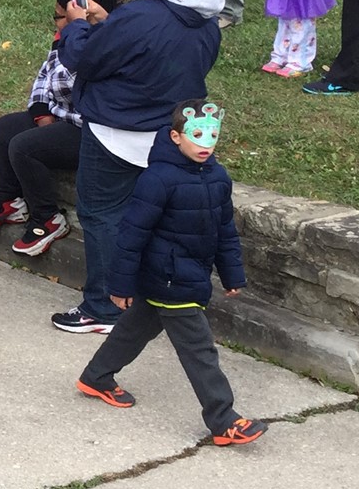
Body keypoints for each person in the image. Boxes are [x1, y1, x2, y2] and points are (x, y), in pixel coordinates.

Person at [52, 0, 225, 334]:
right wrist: (105, 21)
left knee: (101, 216)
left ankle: (103, 308)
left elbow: (82, 58)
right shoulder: (206, 23)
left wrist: (78, 25)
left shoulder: (141, 16)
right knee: (149, 218)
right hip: (170, 137)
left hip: (117, 134)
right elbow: (149, 51)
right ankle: (149, 300)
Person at [75, 100, 267, 447]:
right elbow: (131, 235)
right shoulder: (157, 179)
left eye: (213, 134)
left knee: (134, 330)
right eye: (197, 134)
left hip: (188, 273)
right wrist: (118, 285)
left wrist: (232, 274)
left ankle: (96, 377)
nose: (205, 143)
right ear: (176, 136)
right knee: (199, 350)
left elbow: (224, 229)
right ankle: (223, 419)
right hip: (169, 278)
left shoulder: (218, 177)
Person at [0, 0, 118, 258]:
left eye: (61, 16)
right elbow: (44, 76)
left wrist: (77, 32)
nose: (57, 22)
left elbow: (77, 86)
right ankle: (10, 201)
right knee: (5, 128)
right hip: (60, 116)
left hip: (87, 128)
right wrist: (40, 112)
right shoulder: (63, 39)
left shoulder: (100, 43)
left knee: (25, 146)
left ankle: (48, 218)